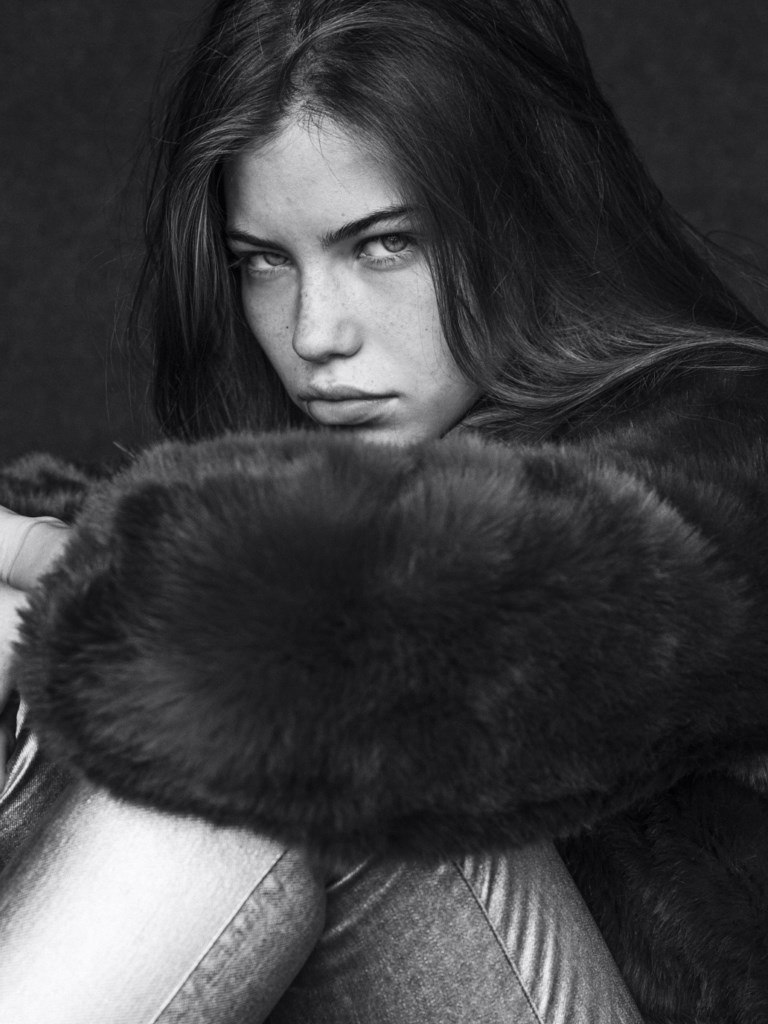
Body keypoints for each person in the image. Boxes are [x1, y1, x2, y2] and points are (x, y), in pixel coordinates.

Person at [1, 0, 767, 1021]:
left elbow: (393, 637)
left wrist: (47, 568)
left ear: (525, 215)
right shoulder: (339, 493)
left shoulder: (730, 444)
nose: (314, 333)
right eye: (263, 262)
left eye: (383, 245)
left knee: (278, 724)